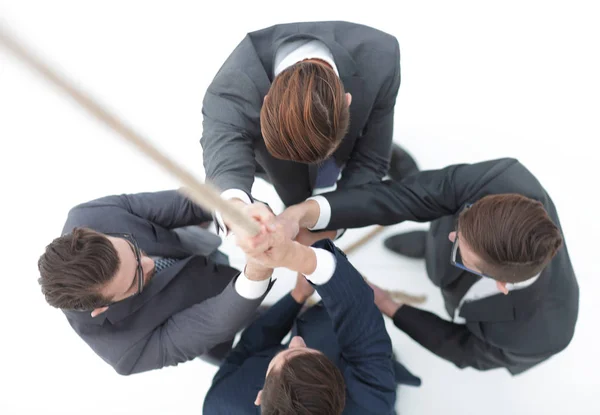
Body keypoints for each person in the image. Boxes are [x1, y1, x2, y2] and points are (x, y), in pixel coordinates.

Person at [282, 158, 579, 374]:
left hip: (471, 284)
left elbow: (464, 349)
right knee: (433, 211)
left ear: (500, 284)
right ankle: (429, 232)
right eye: (462, 224)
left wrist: (390, 305)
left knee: (441, 254)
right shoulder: (504, 179)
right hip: (454, 223)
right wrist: (309, 213)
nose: (453, 237)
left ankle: (435, 248)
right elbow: (409, 197)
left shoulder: (542, 336)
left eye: (461, 252)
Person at [200, 20, 418, 233]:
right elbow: (224, 165)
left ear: (348, 100)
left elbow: (371, 161)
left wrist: (330, 223)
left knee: (366, 153)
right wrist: (238, 211)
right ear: (266, 101)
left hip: (344, 145)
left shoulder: (380, 58)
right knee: (294, 189)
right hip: (274, 163)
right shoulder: (230, 90)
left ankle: (377, 147)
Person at [37, 190, 274, 375]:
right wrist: (256, 272)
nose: (148, 263)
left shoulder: (87, 216)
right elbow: (214, 322)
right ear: (102, 308)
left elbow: (186, 202)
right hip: (211, 317)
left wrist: (236, 210)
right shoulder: (124, 352)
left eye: (132, 248)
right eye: (136, 278)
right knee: (261, 326)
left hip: (191, 246)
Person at [202, 226, 420, 414]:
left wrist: (298, 295)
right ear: (340, 394)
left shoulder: (221, 404)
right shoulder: (371, 405)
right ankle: (386, 367)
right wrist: (305, 259)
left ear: (260, 396)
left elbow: (245, 351)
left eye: (287, 354)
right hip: (357, 365)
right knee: (359, 351)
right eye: (305, 351)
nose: (296, 341)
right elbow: (358, 310)